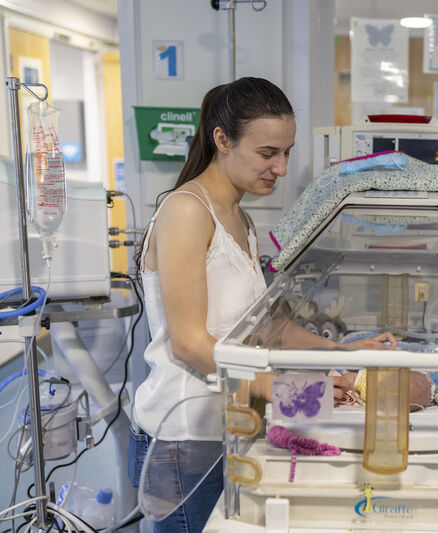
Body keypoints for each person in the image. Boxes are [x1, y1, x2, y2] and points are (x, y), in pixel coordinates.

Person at [129, 77, 394, 533]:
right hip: (184, 437)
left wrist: (342, 352)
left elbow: (262, 327)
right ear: (222, 140)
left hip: (231, 424)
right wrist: (286, 390)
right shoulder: (187, 211)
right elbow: (190, 345)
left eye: (287, 152)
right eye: (268, 153)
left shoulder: (241, 218)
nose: (282, 167)